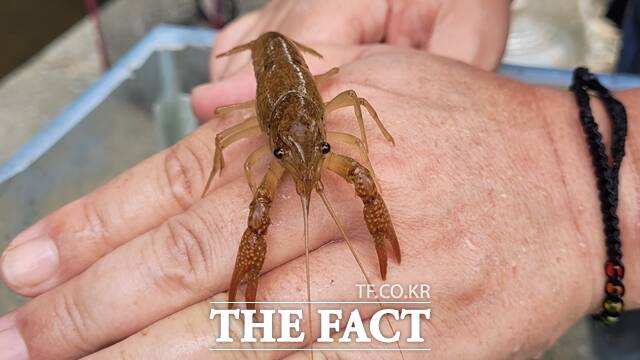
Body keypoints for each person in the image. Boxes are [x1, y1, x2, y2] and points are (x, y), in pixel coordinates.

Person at [0, 1, 638, 359]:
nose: (297, 162)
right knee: (256, 193)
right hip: (276, 80)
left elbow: (353, 123)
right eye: (278, 151)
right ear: (268, 141)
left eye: (318, 148)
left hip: (305, 102)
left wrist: (567, 172)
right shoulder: (262, 148)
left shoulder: (331, 126)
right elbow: (233, 138)